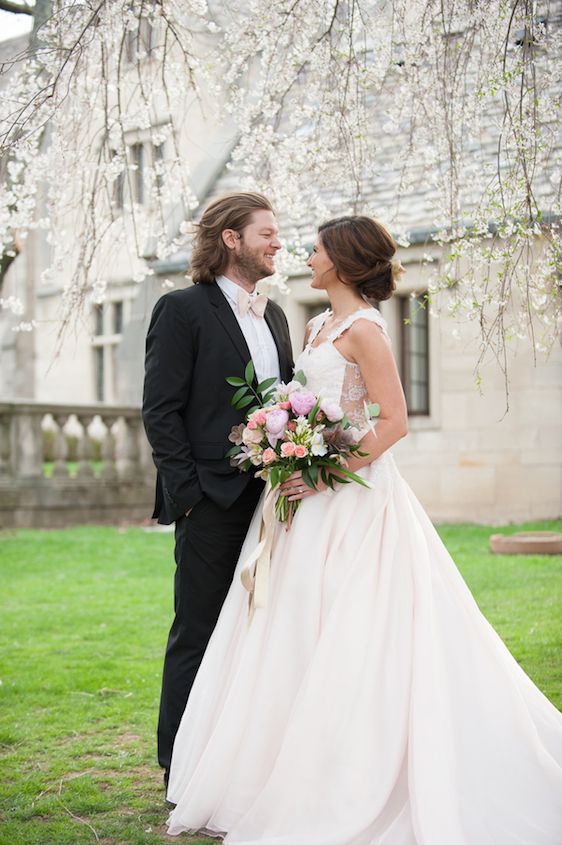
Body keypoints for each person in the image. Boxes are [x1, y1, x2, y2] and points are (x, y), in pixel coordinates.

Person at [165, 216, 562, 843]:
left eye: (317, 249)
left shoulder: (367, 329)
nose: (307, 255)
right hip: (301, 501)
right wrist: (285, 447)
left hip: (352, 501)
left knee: (355, 630)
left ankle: (347, 771)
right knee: (289, 628)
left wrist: (324, 474)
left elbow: (394, 421)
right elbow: (311, 407)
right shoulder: (317, 324)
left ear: (343, 263)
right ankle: (273, 767)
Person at [142, 191, 294, 788]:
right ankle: (179, 768)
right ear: (232, 239)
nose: (277, 242)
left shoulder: (277, 314)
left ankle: (240, 762)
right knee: (198, 631)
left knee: (261, 631)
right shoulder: (181, 309)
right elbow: (161, 411)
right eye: (267, 233)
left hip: (274, 501)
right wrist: (191, 495)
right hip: (211, 502)